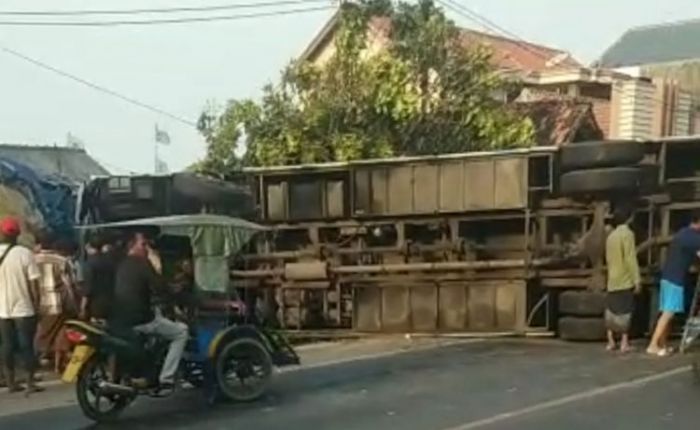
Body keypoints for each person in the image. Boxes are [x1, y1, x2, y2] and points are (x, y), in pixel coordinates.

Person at [112, 232, 188, 390]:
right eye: (143, 244)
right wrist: (156, 265)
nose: (147, 248)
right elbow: (160, 287)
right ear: (132, 245)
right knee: (181, 332)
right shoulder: (142, 263)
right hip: (140, 318)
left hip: (120, 317)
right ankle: (166, 377)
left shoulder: (122, 264)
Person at [647, 212, 700, 356]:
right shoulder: (694, 238)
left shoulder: (682, 233)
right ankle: (653, 345)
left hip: (667, 276)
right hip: (676, 278)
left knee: (666, 312)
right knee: (668, 313)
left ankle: (662, 344)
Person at [0, 217, 43, 393]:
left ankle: (10, 381)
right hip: (24, 307)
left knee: (7, 345)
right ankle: (30, 382)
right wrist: (37, 304)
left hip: (1, 309)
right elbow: (34, 284)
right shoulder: (25, 254)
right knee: (27, 345)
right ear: (17, 234)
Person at [34, 235, 78, 373]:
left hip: (39, 302)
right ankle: (58, 363)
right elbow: (70, 285)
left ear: (39, 245)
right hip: (59, 302)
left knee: (43, 333)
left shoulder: (31, 259)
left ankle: (40, 360)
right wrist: (75, 304)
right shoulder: (62, 261)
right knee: (60, 331)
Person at [604, 206, 640, 353]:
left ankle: (611, 341)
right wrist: (636, 279)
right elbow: (630, 259)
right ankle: (624, 342)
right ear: (629, 218)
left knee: (611, 311)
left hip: (612, 279)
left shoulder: (610, 236)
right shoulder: (627, 234)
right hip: (625, 279)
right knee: (625, 312)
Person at [80, 233, 117, 321]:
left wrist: (82, 308)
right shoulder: (111, 260)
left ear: (88, 246)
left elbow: (88, 289)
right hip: (112, 303)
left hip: (96, 307)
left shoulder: (89, 264)